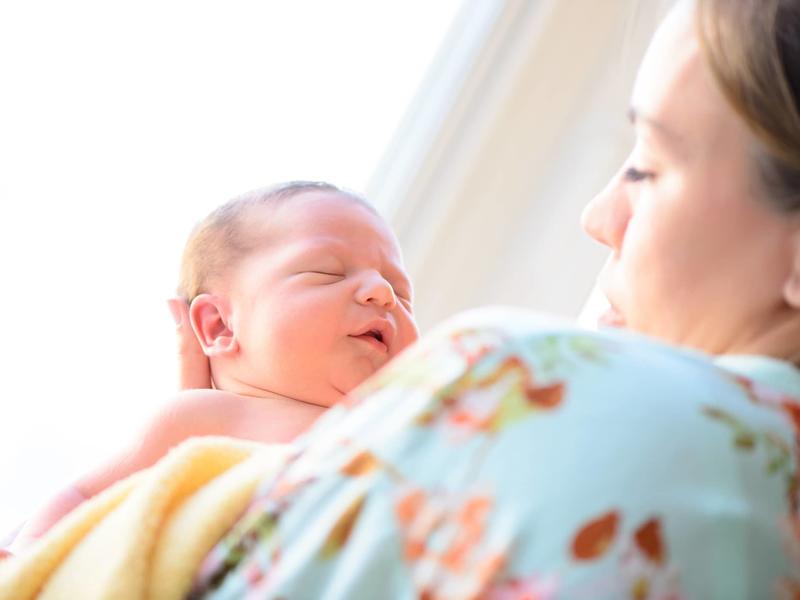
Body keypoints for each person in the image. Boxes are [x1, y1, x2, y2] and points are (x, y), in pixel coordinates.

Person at [3, 0, 800, 597]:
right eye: (324, 274)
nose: (596, 217)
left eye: (648, 167)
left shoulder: (517, 391)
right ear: (217, 326)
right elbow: (92, 505)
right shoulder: (199, 423)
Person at [6, 181, 419, 553]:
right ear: (219, 325)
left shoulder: (403, 422)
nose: (382, 294)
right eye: (326, 273)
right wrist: (26, 560)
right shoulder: (205, 416)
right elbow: (81, 496)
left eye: (402, 294)